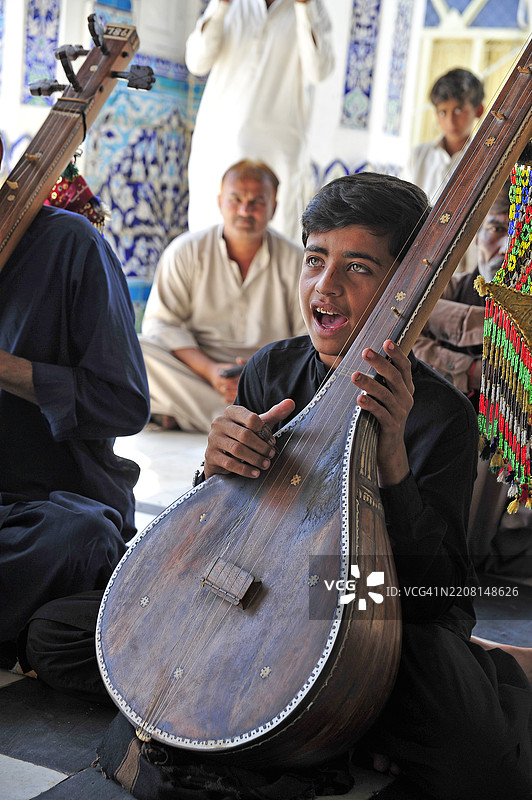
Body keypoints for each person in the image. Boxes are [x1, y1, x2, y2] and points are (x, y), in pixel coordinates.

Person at [22, 174, 531, 800]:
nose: (326, 286)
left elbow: (436, 593)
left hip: (365, 615)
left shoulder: (439, 415)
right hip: (259, 599)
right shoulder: (273, 369)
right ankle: (321, 723)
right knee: (62, 633)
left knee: (469, 748)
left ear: (405, 289)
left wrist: (392, 457)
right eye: (315, 259)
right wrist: (214, 470)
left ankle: (335, 705)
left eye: (359, 267)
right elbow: (218, 534)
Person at [0, 135, 150, 669]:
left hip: (48, 507)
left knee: (81, 538)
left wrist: (7, 370)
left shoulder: (71, 244)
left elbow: (126, 404)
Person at [413, 181, 532, 579]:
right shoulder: (448, 287)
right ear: (477, 236)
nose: (504, 248)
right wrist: (480, 368)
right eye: (497, 230)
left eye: (519, 237)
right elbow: (402, 338)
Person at [139, 159, 306, 433]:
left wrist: (256, 378)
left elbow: (305, 339)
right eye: (235, 199)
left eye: (257, 202)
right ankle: (251, 425)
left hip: (267, 377)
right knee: (138, 352)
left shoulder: (296, 260)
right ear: (219, 202)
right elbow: (161, 324)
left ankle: (189, 415)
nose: (245, 210)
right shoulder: (185, 251)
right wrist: (210, 371)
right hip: (199, 370)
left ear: (274, 207)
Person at [185, 0, 334, 241]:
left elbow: (320, 70)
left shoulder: (311, 8)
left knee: (277, 240)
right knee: (208, 237)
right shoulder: (231, 4)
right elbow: (196, 62)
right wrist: (221, 7)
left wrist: (305, 7)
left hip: (279, 150)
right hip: (219, 143)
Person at [404, 68, 484, 204]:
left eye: (459, 110)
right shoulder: (419, 155)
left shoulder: (485, 157)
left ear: (479, 110)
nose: (450, 121)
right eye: (442, 112)